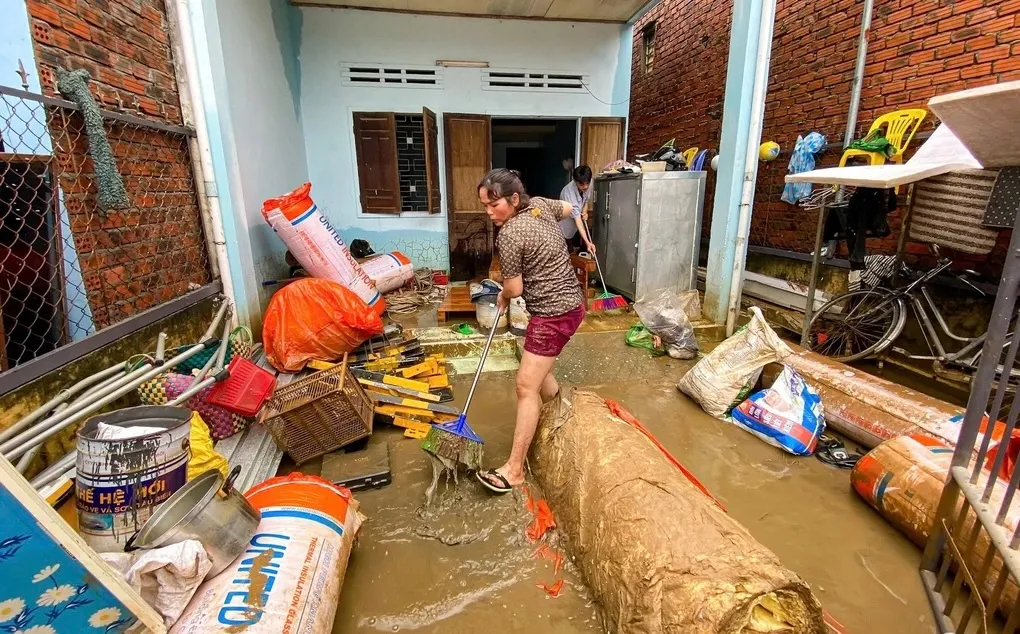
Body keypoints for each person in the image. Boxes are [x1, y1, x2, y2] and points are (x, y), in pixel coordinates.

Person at [475, 168, 586, 494]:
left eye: (494, 205)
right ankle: (558, 414)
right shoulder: (540, 205)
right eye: (485, 206)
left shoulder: (509, 236)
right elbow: (570, 209)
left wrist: (502, 294)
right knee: (536, 370)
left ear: (513, 199)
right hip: (572, 305)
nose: (490, 213)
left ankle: (514, 470)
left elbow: (514, 286)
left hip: (553, 314)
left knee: (524, 386)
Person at [558, 165, 596, 254]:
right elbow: (578, 220)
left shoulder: (589, 183)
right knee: (567, 252)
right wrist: (588, 243)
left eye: (587, 183)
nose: (586, 186)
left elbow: (586, 200)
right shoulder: (568, 193)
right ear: (575, 181)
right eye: (582, 184)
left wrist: (585, 211)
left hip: (575, 228)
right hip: (563, 228)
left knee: (574, 248)